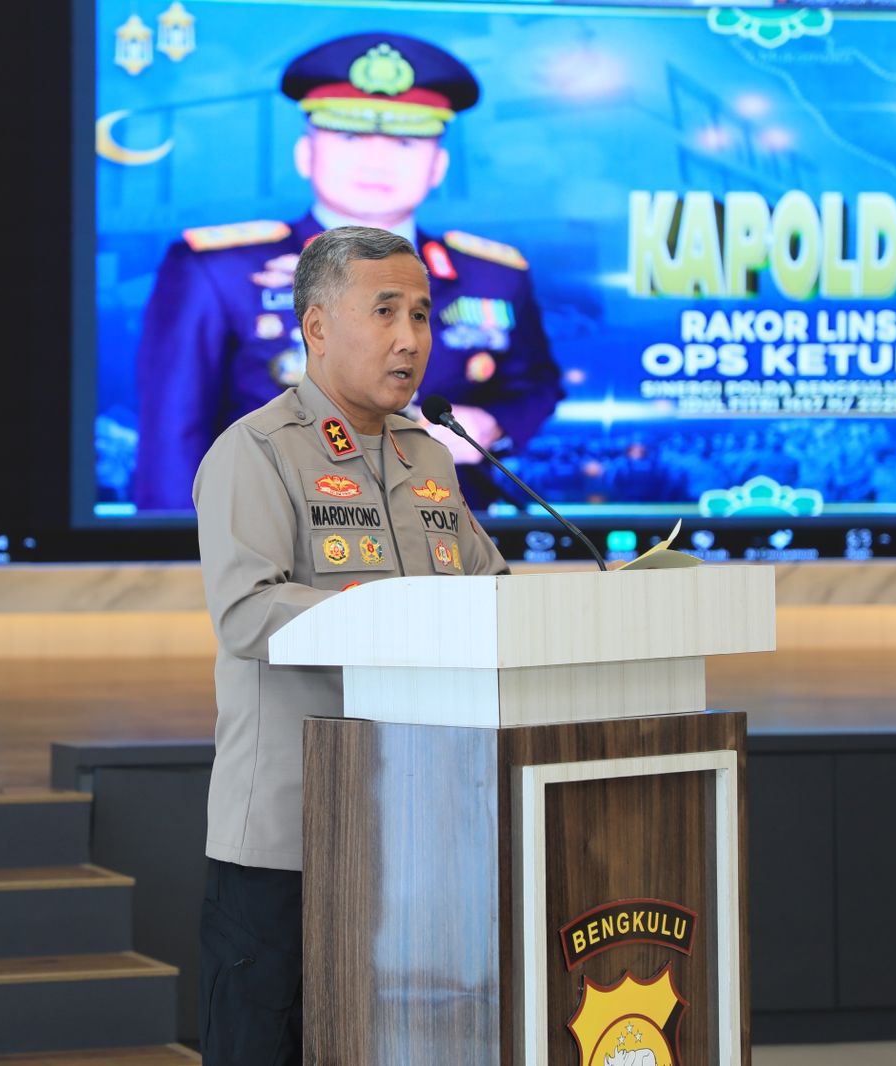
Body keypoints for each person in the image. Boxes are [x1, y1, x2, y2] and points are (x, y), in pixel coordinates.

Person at [192, 226, 510, 1063]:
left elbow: (493, 594)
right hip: (289, 841)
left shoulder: (430, 457)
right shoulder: (258, 451)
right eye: (385, 312)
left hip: (418, 830)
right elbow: (247, 613)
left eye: (422, 315)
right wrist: (392, 617)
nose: (410, 338)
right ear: (317, 326)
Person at [134, 32, 563, 511]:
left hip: (448, 537)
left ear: (438, 166)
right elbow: (172, 442)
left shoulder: (493, 275)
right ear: (305, 155)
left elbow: (535, 384)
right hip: (279, 541)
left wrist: (491, 425)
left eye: (405, 142)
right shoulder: (217, 270)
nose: (377, 161)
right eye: (351, 137)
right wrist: (181, 550)